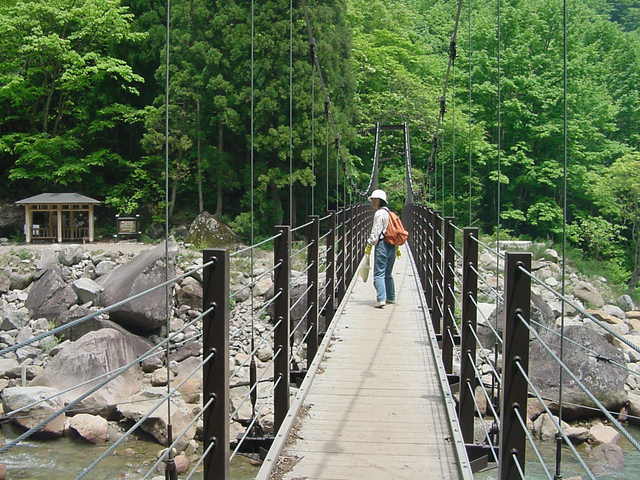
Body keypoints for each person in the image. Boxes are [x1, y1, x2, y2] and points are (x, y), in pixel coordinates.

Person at [365, 189, 397, 308]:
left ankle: (381, 299)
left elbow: (376, 232)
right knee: (388, 273)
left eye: (373, 200)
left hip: (382, 245)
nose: (372, 202)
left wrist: (369, 244)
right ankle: (391, 297)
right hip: (392, 245)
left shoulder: (379, 213)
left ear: (378, 200)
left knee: (379, 274)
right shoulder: (390, 213)